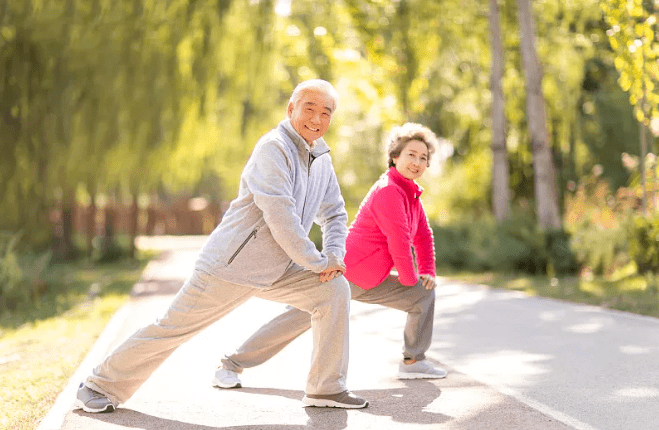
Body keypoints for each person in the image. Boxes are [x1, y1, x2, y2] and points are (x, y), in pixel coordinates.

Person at [74, 79, 370, 413]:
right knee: (172, 328)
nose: (317, 118)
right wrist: (315, 261)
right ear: (291, 109)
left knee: (333, 291)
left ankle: (326, 389)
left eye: (325, 112)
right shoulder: (273, 148)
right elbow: (280, 215)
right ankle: (98, 386)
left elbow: (334, 213)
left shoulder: (321, 158)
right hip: (232, 266)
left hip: (282, 267)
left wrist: (333, 255)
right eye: (309, 108)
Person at [213, 122, 447, 391]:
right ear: (395, 157)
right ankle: (230, 364)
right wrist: (409, 279)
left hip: (371, 279)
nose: (417, 162)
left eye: (423, 158)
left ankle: (413, 361)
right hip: (344, 273)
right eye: (411, 155)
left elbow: (423, 235)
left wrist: (427, 272)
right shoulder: (389, 191)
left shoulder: (411, 195)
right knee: (293, 321)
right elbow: (399, 242)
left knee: (422, 293)